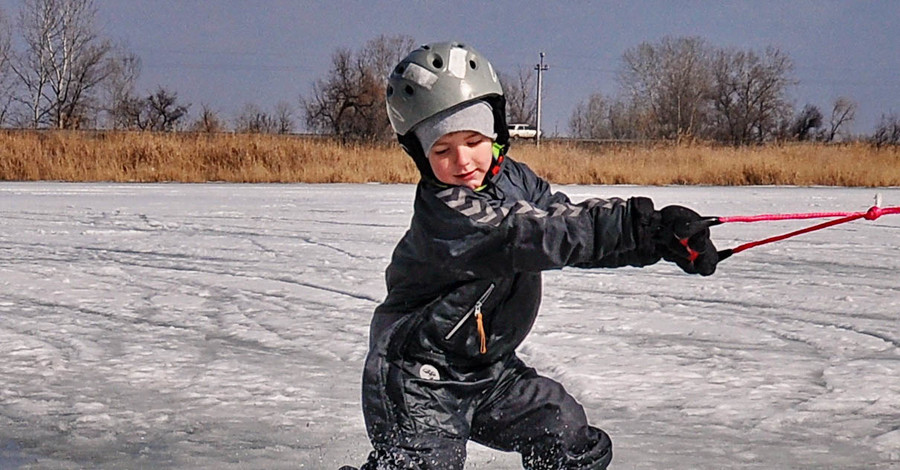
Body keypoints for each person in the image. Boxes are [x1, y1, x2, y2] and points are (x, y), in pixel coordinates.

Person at [348, 41, 718, 470]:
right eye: (442, 150)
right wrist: (643, 227)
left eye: (472, 140)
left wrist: (657, 241)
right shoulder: (449, 213)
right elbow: (536, 232)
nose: (463, 161)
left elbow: (563, 217)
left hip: (489, 372)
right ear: (420, 154)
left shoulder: (514, 179)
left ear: (495, 131)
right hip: (419, 378)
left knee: (564, 432)